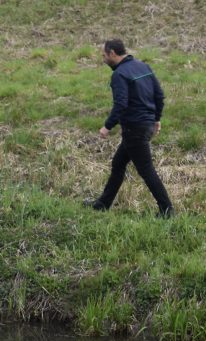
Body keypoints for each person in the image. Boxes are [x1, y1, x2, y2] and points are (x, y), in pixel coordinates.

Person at [86, 39, 174, 218]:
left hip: (134, 128)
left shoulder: (119, 74)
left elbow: (121, 104)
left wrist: (107, 126)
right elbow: (159, 95)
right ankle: (103, 204)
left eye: (104, 55)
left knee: (146, 169)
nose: (103, 59)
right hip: (145, 125)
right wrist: (156, 119)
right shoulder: (143, 67)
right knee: (118, 163)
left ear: (112, 53)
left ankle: (167, 210)